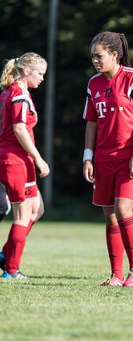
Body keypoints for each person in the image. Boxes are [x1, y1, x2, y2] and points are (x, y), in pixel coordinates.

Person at [83, 31, 133, 287]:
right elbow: (91, 122)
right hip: (103, 157)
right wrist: (88, 156)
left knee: (124, 209)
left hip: (129, 156)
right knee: (110, 215)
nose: (95, 61)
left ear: (114, 54)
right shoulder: (93, 84)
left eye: (99, 56)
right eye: (92, 57)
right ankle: (116, 274)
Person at [0, 52, 50, 279]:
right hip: (15, 159)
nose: (42, 78)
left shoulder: (9, 92)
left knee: (37, 209)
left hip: (15, 158)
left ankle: (5, 255)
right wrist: (38, 157)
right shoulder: (19, 94)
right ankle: (11, 269)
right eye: (40, 73)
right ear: (27, 71)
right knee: (22, 215)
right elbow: (20, 129)